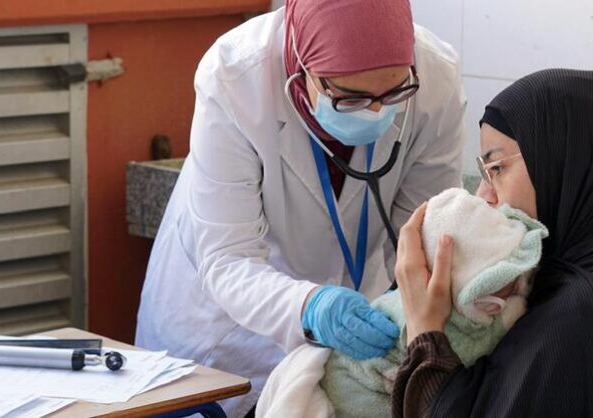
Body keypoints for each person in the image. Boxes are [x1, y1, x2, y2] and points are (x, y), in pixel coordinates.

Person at [134, 0, 466, 416]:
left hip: (345, 330)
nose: (378, 111)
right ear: (301, 72)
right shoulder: (235, 77)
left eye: (394, 92)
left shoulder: (435, 78)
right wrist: (309, 307)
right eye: (352, 97)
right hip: (222, 332)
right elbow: (226, 258)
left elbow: (425, 230)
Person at [392, 69, 593, 418]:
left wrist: (424, 330)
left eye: (496, 168)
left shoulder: (582, 313)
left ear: (567, 162)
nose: (484, 195)